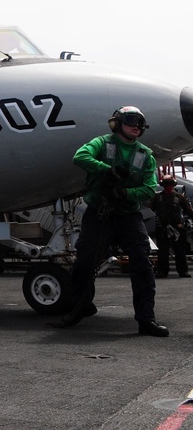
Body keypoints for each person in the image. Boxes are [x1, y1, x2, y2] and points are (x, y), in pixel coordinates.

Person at [53, 106, 168, 336]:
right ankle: (81, 306)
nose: (136, 126)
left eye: (140, 123)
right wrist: (107, 170)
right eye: (131, 121)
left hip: (128, 215)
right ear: (117, 124)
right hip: (100, 212)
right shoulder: (102, 144)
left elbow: (147, 189)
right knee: (85, 259)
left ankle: (146, 319)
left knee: (142, 264)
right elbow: (80, 157)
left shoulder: (145, 155)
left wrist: (126, 194)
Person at [150, 175, 193, 278]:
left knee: (179, 250)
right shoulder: (157, 197)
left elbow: (189, 211)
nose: (168, 187)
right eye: (166, 185)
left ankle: (183, 271)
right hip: (162, 227)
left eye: (170, 185)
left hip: (177, 228)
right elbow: (150, 210)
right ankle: (162, 271)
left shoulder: (179, 197)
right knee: (163, 251)